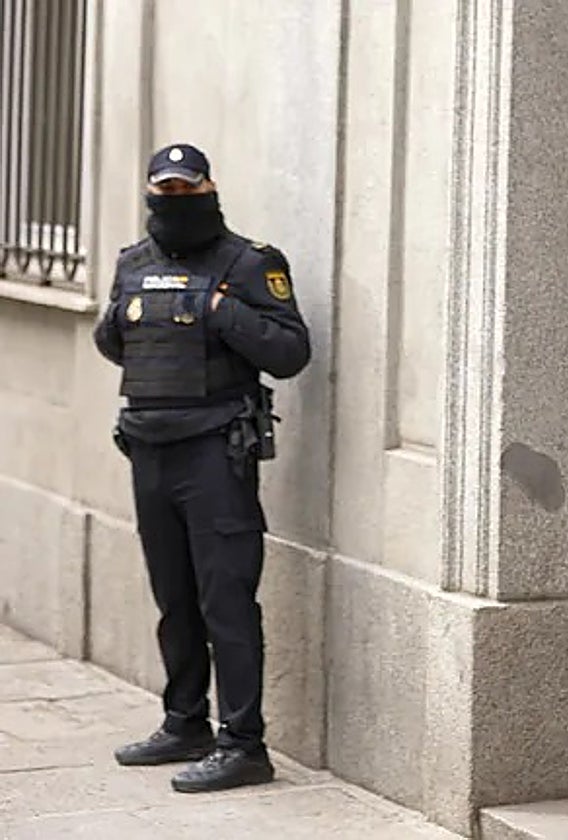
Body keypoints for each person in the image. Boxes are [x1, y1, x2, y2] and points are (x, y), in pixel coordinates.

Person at [93, 143, 311, 793]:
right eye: (166, 189)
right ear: (150, 193)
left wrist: (220, 311)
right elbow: (113, 340)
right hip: (148, 450)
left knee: (227, 603)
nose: (176, 199)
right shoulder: (132, 263)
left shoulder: (249, 264)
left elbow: (291, 351)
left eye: (187, 189)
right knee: (175, 599)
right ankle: (184, 722)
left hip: (216, 454)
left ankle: (243, 744)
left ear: (209, 189)